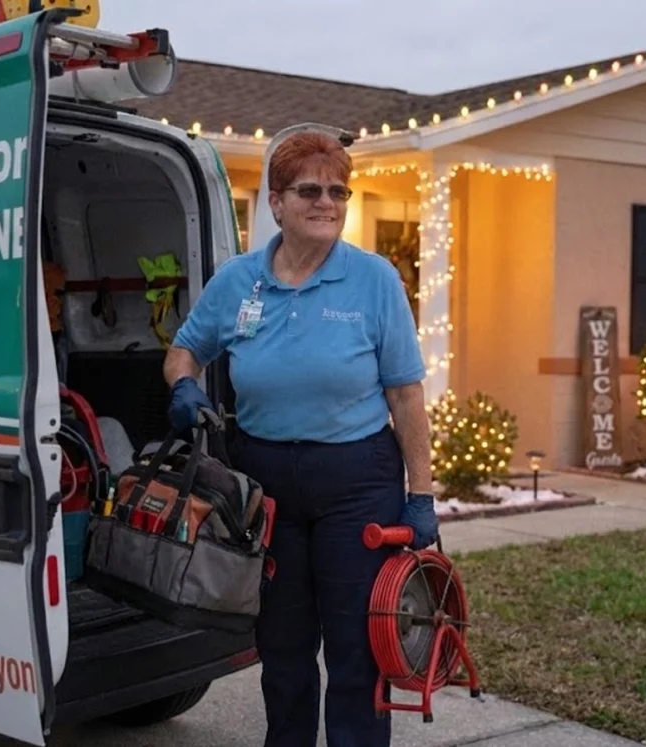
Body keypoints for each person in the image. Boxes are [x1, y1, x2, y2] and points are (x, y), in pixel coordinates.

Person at [162, 130, 438, 747]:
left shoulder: (374, 280)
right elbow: (184, 350)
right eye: (309, 190)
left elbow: (406, 395)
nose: (327, 202)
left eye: (338, 191)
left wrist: (420, 495)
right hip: (266, 487)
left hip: (356, 484)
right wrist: (184, 386)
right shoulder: (238, 283)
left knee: (355, 650)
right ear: (277, 203)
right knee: (282, 648)